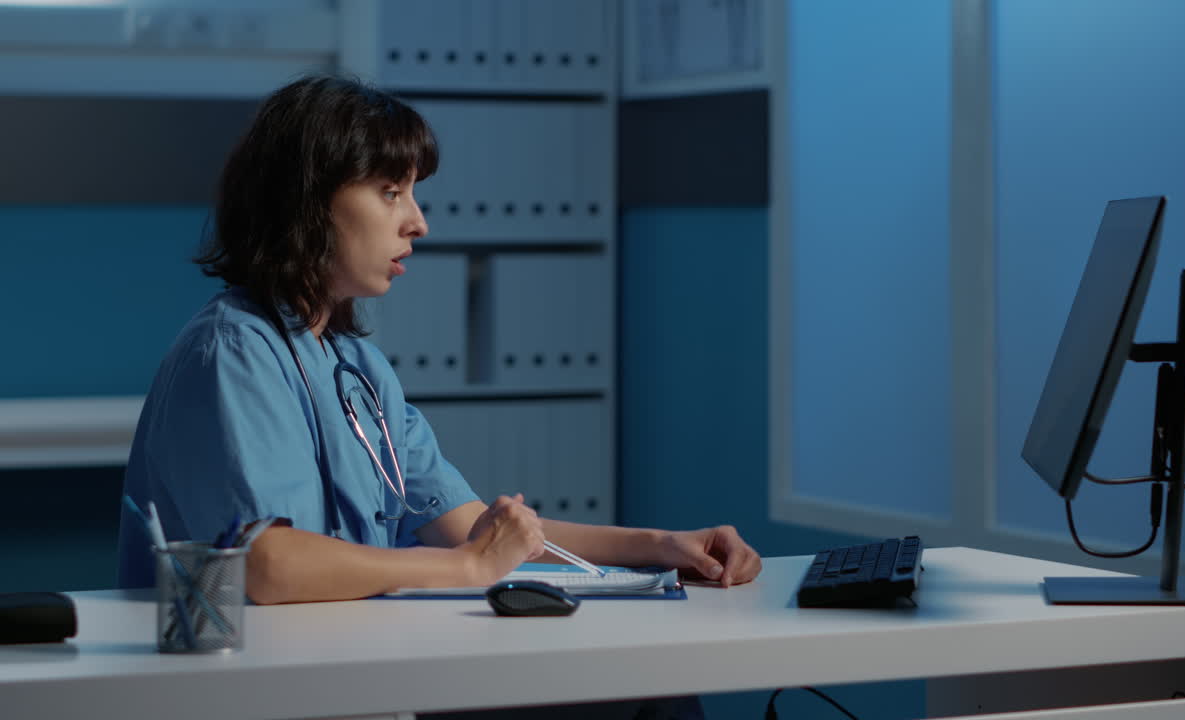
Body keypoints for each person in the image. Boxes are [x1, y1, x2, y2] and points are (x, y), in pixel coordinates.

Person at [116, 74, 762, 609]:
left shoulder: (355, 365)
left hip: (349, 666)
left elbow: (469, 525)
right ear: (304, 203)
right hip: (256, 688)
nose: (418, 222)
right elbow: (269, 566)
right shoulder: (233, 353)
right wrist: (467, 567)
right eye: (391, 191)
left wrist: (663, 545)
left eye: (414, 193)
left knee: (643, 693)